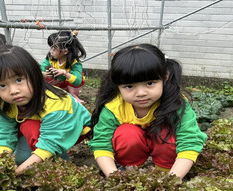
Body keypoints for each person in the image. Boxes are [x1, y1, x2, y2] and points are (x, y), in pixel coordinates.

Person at [88, 43, 207, 179]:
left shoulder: (176, 104)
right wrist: (114, 177)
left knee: (166, 134)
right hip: (132, 149)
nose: (141, 93)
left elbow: (189, 141)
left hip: (166, 154)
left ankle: (165, 171)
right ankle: (130, 170)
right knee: (127, 134)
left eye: (150, 83)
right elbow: (101, 144)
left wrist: (171, 181)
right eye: (129, 86)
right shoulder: (113, 108)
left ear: (165, 77)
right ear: (117, 86)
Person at [0, 45, 91, 175]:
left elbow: (50, 142)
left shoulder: (54, 103)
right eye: (2, 85)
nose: (14, 91)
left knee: (30, 130)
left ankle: (60, 164)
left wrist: (17, 173)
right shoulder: (4, 105)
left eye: (19, 80)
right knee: (21, 159)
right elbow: (4, 135)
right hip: (41, 125)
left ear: (35, 75)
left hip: (74, 127)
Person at [41, 30, 86, 103]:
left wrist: (65, 73)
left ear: (65, 51)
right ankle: (56, 90)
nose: (50, 51)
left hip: (68, 80)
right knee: (45, 77)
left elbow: (77, 81)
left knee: (73, 79)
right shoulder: (51, 57)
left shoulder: (75, 63)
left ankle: (73, 95)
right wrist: (45, 73)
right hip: (57, 79)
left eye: (54, 49)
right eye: (50, 47)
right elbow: (43, 66)